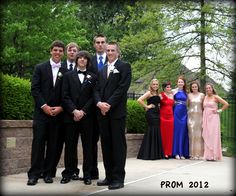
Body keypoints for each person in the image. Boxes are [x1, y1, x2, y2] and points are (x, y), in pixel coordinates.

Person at [27, 40, 66, 185]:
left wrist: (61, 107)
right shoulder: (40, 68)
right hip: (41, 113)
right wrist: (44, 106)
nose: (57, 52)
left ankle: (49, 173)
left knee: (53, 144)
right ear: (51, 51)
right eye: (55, 50)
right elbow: (35, 89)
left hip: (58, 114)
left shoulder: (66, 71)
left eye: (60, 50)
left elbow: (67, 93)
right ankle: (34, 174)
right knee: (38, 143)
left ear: (63, 53)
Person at [94, 41, 131, 190]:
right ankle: (109, 176)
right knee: (106, 145)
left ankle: (118, 178)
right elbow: (95, 89)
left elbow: (122, 89)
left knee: (118, 146)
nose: (109, 52)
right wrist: (99, 104)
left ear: (118, 52)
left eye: (112, 50)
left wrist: (108, 104)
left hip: (116, 113)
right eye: (108, 50)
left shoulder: (124, 67)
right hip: (102, 113)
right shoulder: (102, 70)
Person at [61, 51, 97, 185]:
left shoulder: (93, 77)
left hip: (87, 118)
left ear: (88, 61)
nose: (82, 60)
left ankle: (87, 174)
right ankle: (69, 173)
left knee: (88, 147)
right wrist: (74, 111)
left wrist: (82, 111)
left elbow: (94, 97)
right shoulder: (67, 76)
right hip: (70, 117)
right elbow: (64, 96)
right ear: (76, 60)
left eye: (85, 58)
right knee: (70, 146)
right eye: (80, 58)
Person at [54, 42, 80, 180]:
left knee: (72, 144)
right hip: (59, 112)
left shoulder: (82, 68)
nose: (72, 52)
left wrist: (75, 110)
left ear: (78, 53)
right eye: (69, 50)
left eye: (74, 50)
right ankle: (50, 170)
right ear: (66, 53)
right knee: (57, 144)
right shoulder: (60, 67)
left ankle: (72, 170)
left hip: (74, 113)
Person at [88, 34, 107, 180]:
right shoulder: (89, 61)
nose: (100, 44)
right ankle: (92, 172)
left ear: (106, 44)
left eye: (102, 42)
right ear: (94, 44)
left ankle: (110, 174)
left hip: (108, 108)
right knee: (91, 142)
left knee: (108, 142)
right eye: (97, 42)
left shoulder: (112, 59)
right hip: (92, 108)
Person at [137, 79, 164, 160]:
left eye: (156, 84)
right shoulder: (149, 93)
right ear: (151, 85)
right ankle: (149, 154)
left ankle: (155, 153)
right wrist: (147, 106)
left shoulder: (158, 93)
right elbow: (139, 100)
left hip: (157, 113)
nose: (155, 86)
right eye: (154, 84)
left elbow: (159, 103)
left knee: (156, 130)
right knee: (151, 130)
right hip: (151, 114)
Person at [202, 83, 229, 161]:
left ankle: (214, 155)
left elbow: (226, 104)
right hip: (206, 118)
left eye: (209, 88)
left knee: (213, 135)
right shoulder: (205, 97)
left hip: (214, 118)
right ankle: (208, 155)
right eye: (206, 88)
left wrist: (219, 110)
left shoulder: (215, 97)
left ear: (212, 88)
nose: (208, 89)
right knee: (207, 135)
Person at [172, 75, 189, 160]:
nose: (180, 83)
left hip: (184, 113)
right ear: (177, 83)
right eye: (179, 82)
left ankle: (182, 153)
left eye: (182, 82)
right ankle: (176, 153)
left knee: (183, 132)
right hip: (176, 112)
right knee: (177, 131)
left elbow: (189, 103)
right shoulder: (173, 91)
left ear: (184, 83)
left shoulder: (186, 92)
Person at [187, 81, 205, 160]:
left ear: (198, 87)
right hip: (191, 117)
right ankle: (192, 154)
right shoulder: (189, 95)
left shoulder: (202, 95)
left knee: (199, 135)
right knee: (191, 135)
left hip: (199, 117)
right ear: (191, 88)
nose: (194, 88)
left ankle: (199, 154)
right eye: (193, 87)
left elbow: (203, 106)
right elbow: (187, 105)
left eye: (195, 86)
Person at [159, 81, 174, 159]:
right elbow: (156, 103)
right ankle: (163, 152)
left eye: (170, 87)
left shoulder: (172, 95)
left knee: (169, 135)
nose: (169, 88)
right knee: (163, 134)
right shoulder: (161, 95)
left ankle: (169, 152)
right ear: (164, 88)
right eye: (167, 87)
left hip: (171, 117)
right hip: (163, 116)